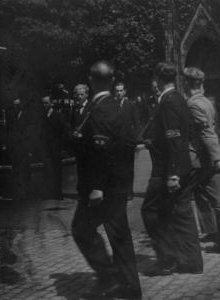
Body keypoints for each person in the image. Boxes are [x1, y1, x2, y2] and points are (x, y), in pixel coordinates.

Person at [71, 61, 141, 299]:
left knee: (81, 228)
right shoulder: (118, 106)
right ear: (112, 82)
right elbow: (129, 142)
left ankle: (109, 275)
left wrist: (97, 187)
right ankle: (131, 287)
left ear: (91, 81)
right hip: (119, 183)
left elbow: (100, 149)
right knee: (120, 236)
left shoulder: (99, 108)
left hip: (102, 189)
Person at [141, 61, 203, 276]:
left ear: (158, 79)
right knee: (183, 214)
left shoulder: (167, 103)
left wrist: (173, 174)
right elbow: (189, 135)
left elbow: (173, 139)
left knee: (150, 211)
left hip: (167, 170)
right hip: (182, 166)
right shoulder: (179, 99)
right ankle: (192, 262)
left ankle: (167, 259)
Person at [183, 67, 220, 254]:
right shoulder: (206, 101)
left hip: (199, 160)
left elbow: (206, 133)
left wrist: (216, 158)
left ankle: (187, 244)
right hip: (209, 159)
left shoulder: (193, 105)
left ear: (188, 83)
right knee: (208, 197)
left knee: (181, 197)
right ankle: (219, 238)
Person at [115, 82, 142, 200]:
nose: (119, 93)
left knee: (128, 168)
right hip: (116, 141)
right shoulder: (112, 105)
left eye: (121, 90)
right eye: (117, 91)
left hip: (128, 141)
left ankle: (129, 191)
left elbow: (136, 123)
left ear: (125, 91)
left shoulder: (131, 105)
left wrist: (135, 139)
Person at [5, 99, 36, 200]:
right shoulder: (11, 117)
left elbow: (31, 134)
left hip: (25, 149)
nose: (15, 107)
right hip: (15, 149)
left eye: (17, 105)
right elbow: (9, 134)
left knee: (26, 170)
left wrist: (30, 150)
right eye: (14, 105)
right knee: (16, 170)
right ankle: (17, 192)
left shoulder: (27, 117)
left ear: (21, 105)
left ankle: (27, 192)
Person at [41, 96, 70, 200]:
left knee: (57, 171)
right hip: (46, 148)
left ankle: (58, 193)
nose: (44, 105)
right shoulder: (41, 117)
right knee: (47, 171)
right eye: (43, 103)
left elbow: (65, 133)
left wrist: (62, 147)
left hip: (56, 147)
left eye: (46, 103)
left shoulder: (59, 116)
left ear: (51, 103)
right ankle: (49, 192)